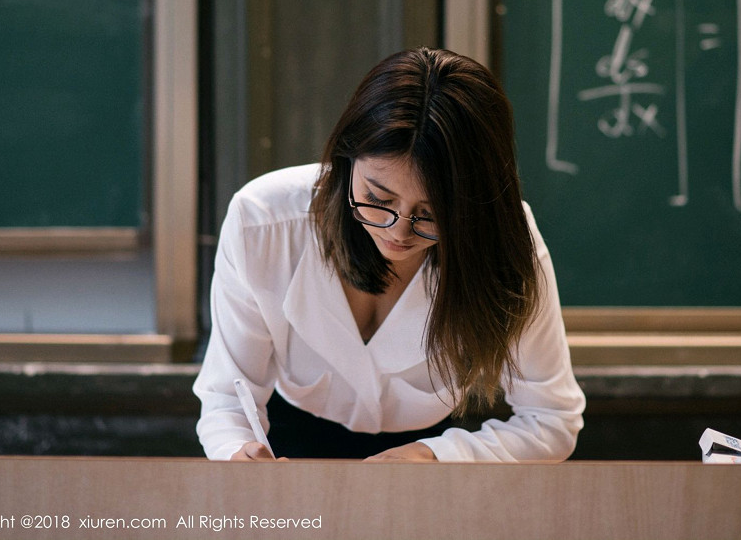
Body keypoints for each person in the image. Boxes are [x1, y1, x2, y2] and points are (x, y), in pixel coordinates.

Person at [193, 47, 584, 462]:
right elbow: (228, 397)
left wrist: (436, 457)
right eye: (377, 199)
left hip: (436, 450)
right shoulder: (264, 222)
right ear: (346, 160)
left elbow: (551, 419)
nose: (398, 232)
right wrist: (238, 454)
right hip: (287, 436)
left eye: (431, 214)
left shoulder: (504, 240)